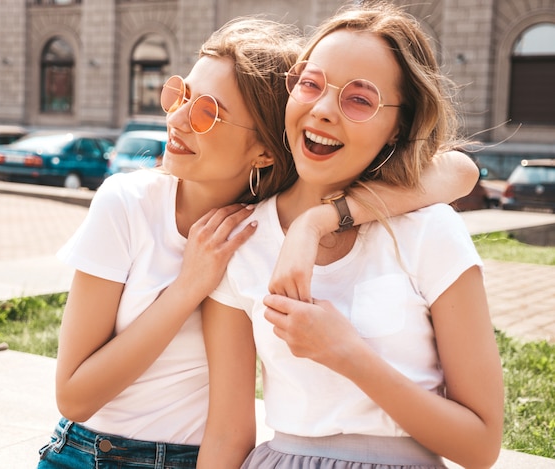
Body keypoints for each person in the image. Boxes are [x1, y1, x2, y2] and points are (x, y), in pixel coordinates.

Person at [37, 16, 479, 469]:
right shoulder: (134, 206)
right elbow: (74, 397)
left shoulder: (258, 226)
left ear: (266, 152)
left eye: (208, 112)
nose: (177, 119)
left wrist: (319, 222)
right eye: (180, 95)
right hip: (92, 454)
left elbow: (461, 170)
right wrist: (189, 285)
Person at [200, 4, 504, 469]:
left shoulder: (429, 230)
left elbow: (480, 447)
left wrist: (344, 352)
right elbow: (224, 435)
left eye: (359, 99)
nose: (321, 111)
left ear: (398, 127)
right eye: (310, 84)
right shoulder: (244, 238)